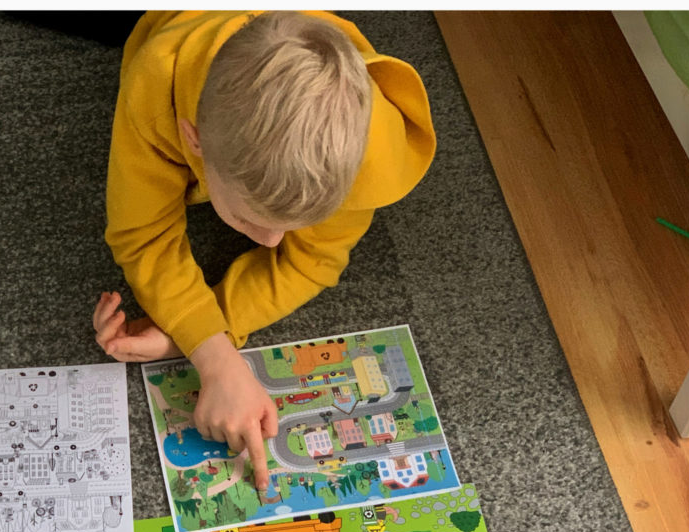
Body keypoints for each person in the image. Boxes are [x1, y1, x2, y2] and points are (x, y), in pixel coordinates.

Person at [94, 11, 435, 491]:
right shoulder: (155, 92)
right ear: (193, 141)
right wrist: (214, 357)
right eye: (248, 218)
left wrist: (199, 333)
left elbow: (313, 262)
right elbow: (143, 235)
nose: (271, 241)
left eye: (296, 223)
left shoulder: (365, 142)